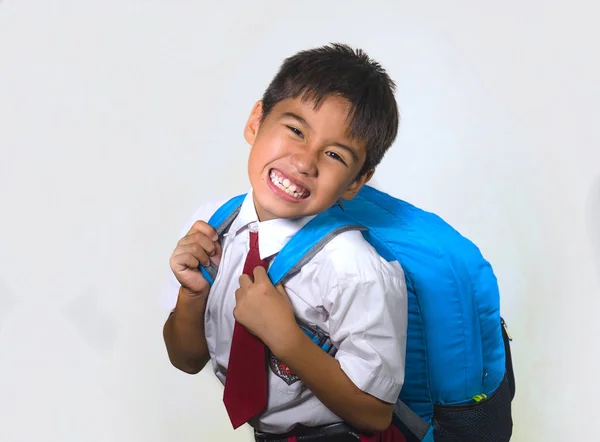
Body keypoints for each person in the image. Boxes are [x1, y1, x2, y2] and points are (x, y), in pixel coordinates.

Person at [162, 43, 408, 441]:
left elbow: (375, 414)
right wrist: (192, 295)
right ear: (256, 121)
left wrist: (286, 338)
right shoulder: (213, 227)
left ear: (357, 181)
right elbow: (187, 359)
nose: (304, 162)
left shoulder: (354, 267)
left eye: (334, 155)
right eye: (295, 130)